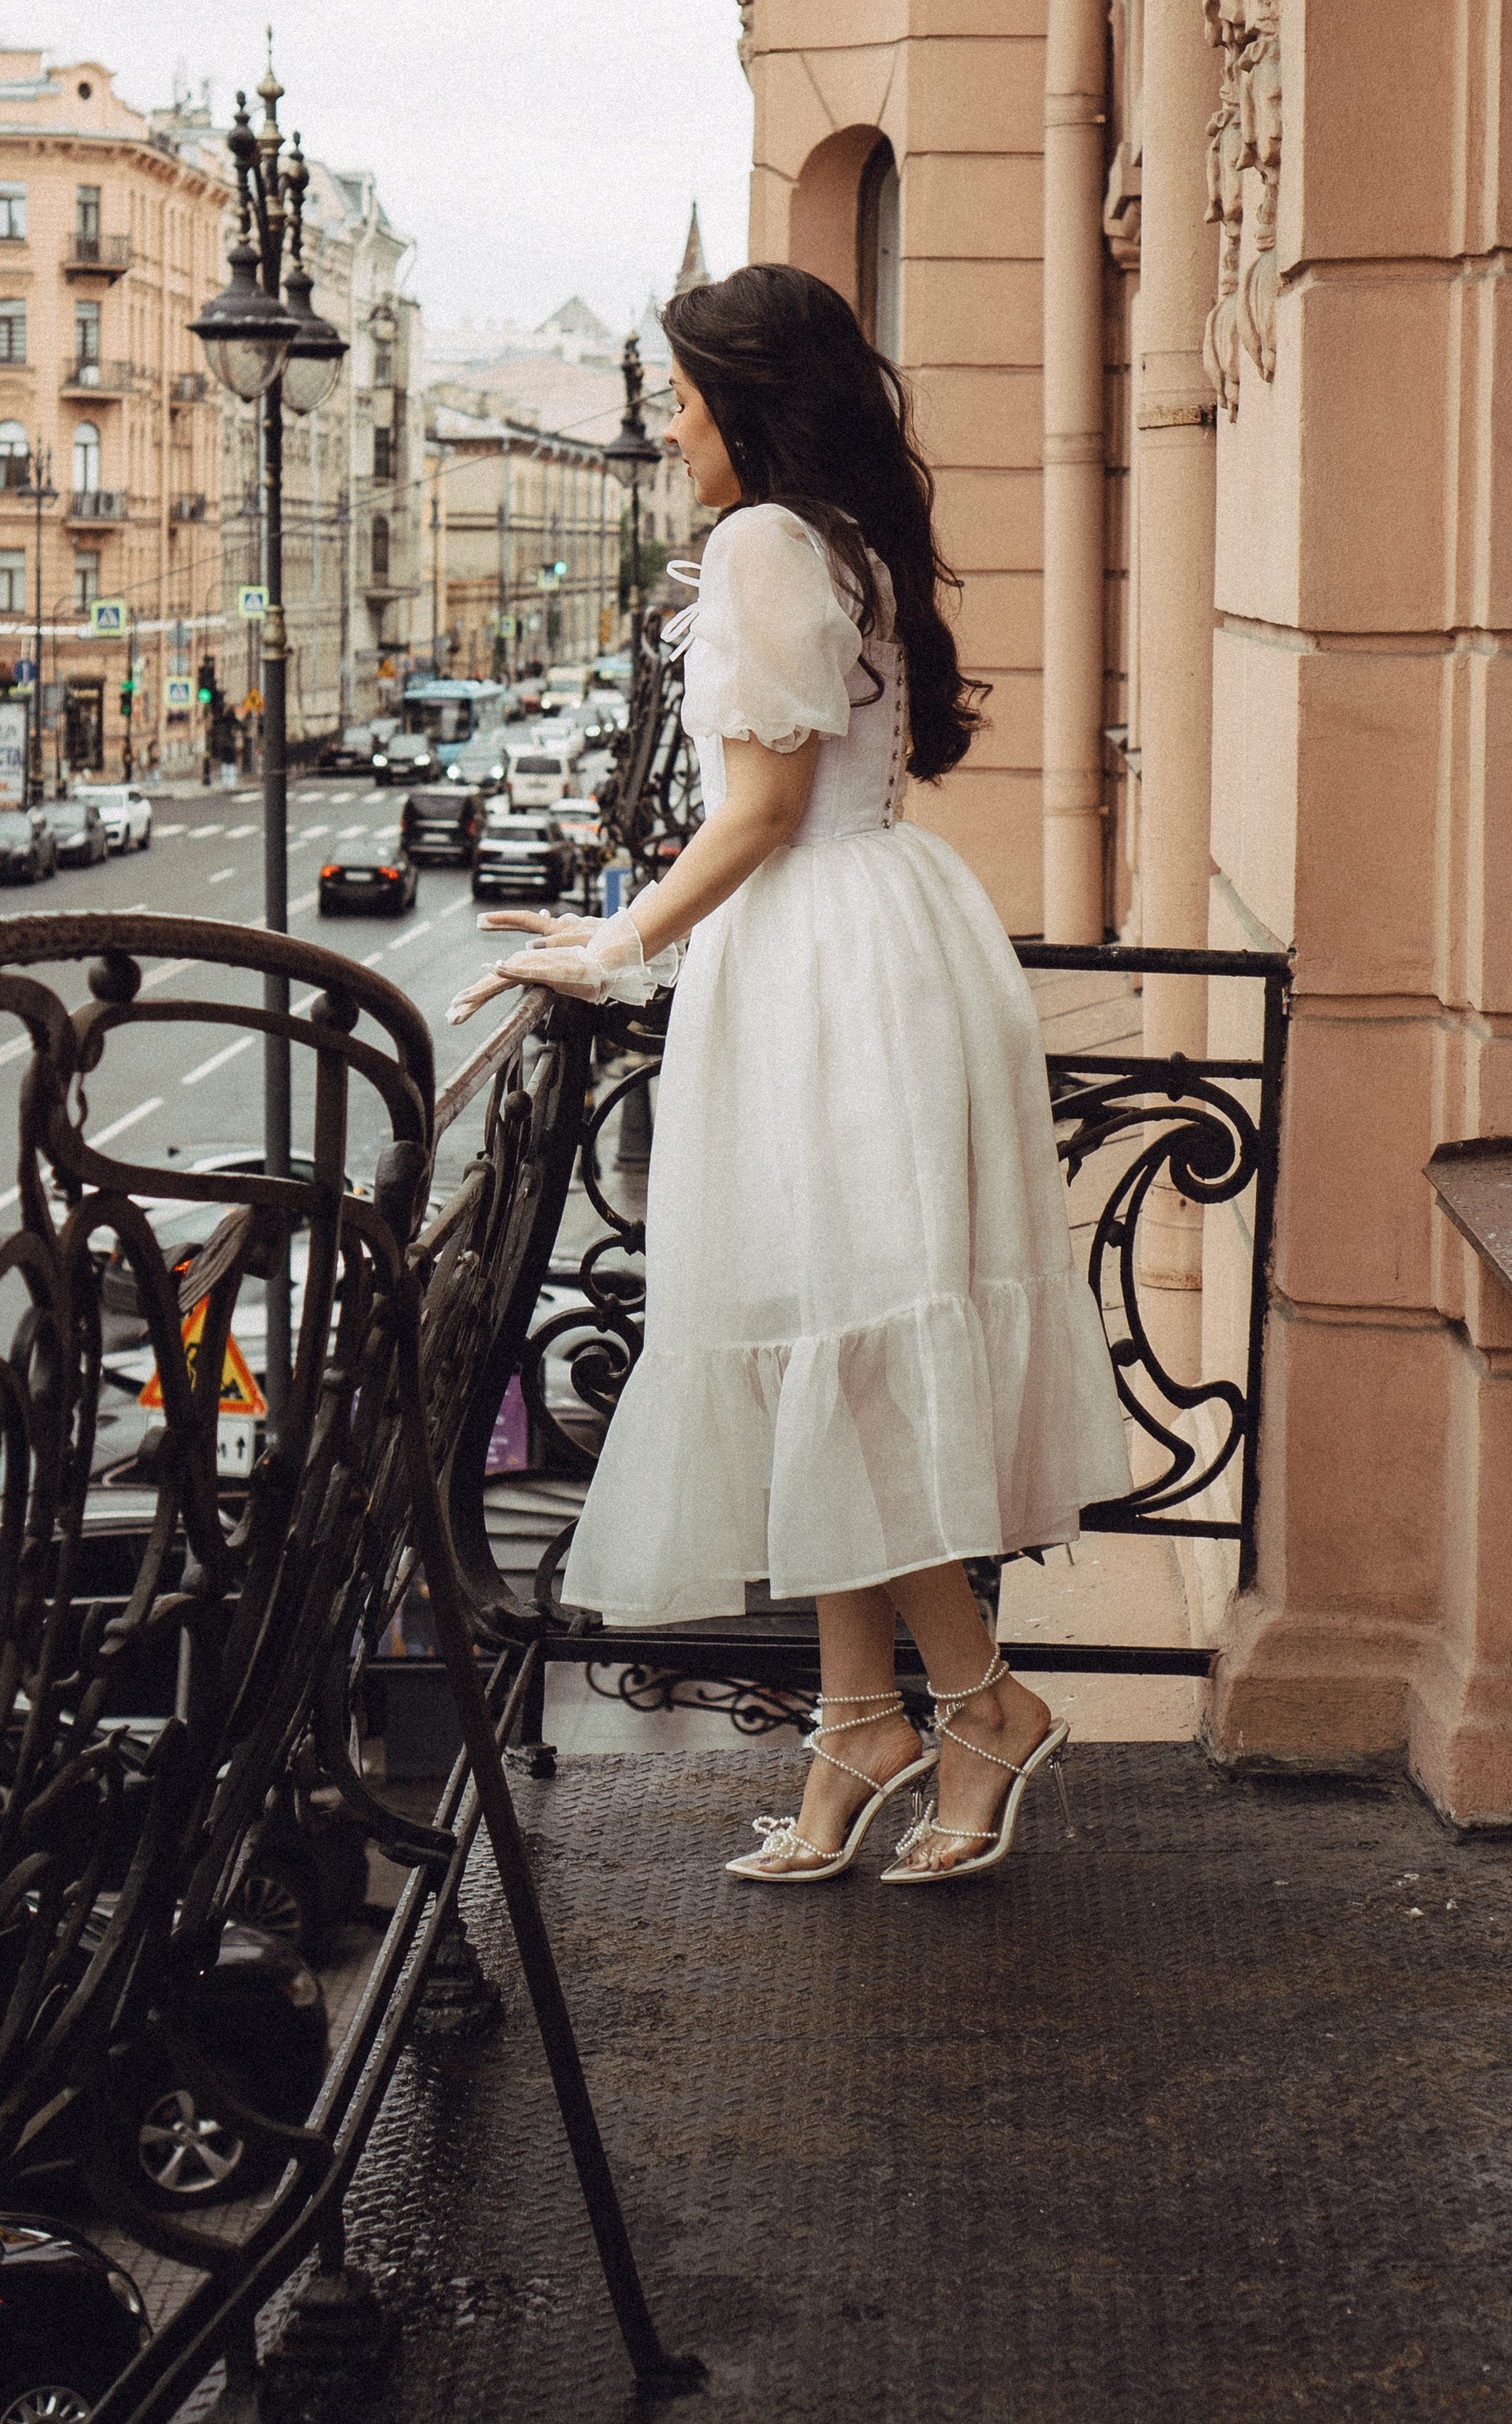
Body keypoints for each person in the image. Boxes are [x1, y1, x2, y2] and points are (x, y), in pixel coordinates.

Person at [450, 265, 1130, 1883]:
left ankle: (974, 1702)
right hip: (870, 940)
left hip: (819, 965)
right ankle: (857, 1727)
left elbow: (757, 816)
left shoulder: (762, 545)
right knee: (818, 1333)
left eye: (684, 399)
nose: (671, 430)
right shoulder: (843, 543)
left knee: (832, 1336)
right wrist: (633, 927)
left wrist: (614, 946)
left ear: (745, 403)